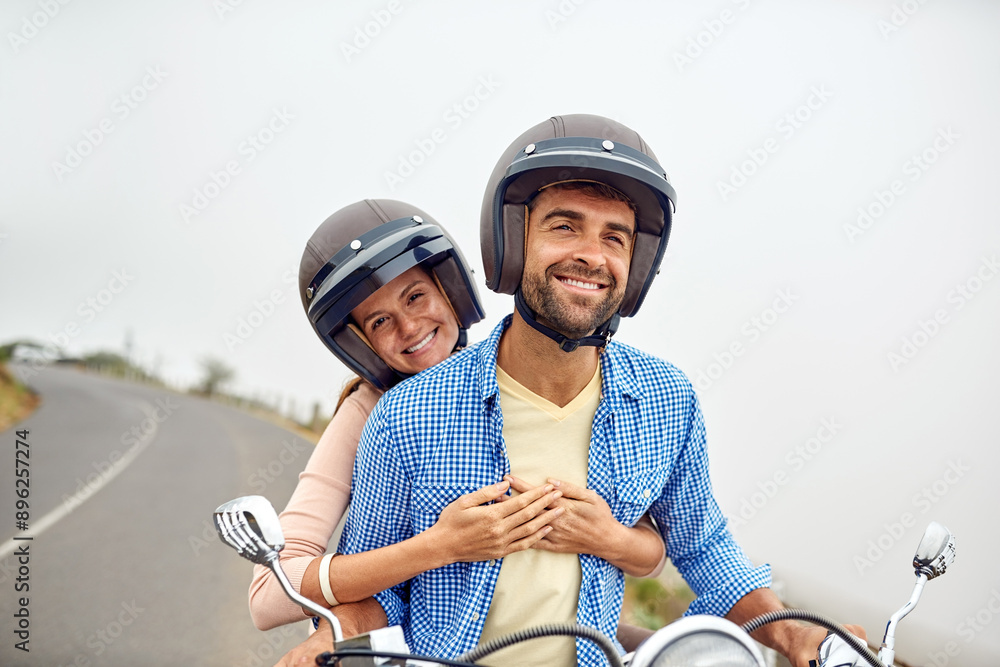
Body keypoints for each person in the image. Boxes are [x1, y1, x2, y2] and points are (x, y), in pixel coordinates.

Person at [295, 115, 866, 667]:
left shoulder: (667, 399)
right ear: (512, 244)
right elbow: (375, 583)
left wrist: (797, 633)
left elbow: (707, 551)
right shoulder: (407, 413)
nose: (592, 255)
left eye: (614, 237)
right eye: (565, 226)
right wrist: (329, 638)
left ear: (634, 266)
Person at [246, 200, 667, 647]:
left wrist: (608, 538)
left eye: (415, 296)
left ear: (449, 289)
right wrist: (439, 546)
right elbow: (270, 596)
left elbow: (649, 546)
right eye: (380, 320)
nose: (409, 327)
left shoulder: (512, 370)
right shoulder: (371, 411)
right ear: (361, 343)